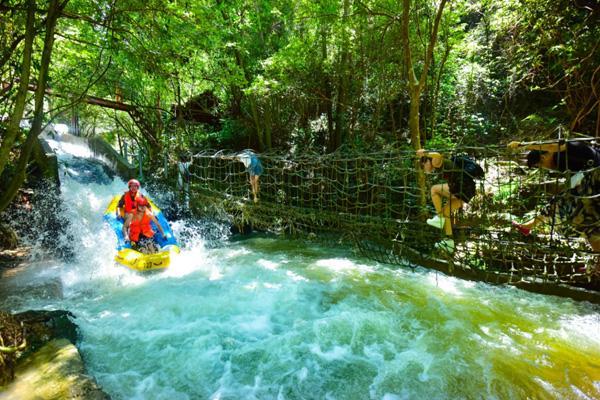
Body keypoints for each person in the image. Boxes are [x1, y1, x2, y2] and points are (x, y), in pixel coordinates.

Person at [508, 140, 600, 253]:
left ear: (543, 157)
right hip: (591, 185)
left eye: (540, 165)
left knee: (576, 215)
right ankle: (528, 226)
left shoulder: (564, 151)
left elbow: (555, 145)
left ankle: (528, 226)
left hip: (595, 180)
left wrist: (523, 144)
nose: (545, 168)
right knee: (587, 224)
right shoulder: (564, 162)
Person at [417, 149, 480, 252]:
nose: (424, 170)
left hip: (462, 186)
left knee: (434, 189)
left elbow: (437, 155)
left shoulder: (434, 162)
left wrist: (425, 153)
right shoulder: (437, 168)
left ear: (426, 162)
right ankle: (449, 242)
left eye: (423, 167)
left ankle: (439, 218)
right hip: (468, 191)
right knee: (446, 212)